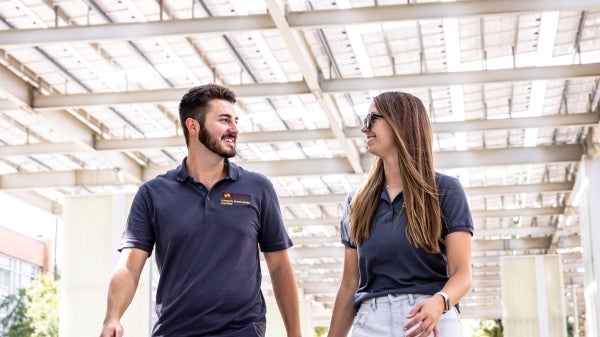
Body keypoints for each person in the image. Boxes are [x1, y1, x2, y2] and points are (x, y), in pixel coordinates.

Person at [99, 83, 302, 337]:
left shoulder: (258, 188)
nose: (234, 129)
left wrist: (295, 333)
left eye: (235, 121)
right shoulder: (153, 194)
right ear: (193, 126)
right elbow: (129, 265)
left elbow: (280, 266)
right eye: (224, 120)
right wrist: (112, 317)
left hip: (241, 331)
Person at [327, 91, 473, 337]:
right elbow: (350, 284)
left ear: (400, 123)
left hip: (430, 320)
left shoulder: (446, 191)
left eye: (372, 118)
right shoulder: (357, 201)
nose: (364, 128)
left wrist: (439, 302)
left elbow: (462, 273)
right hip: (370, 323)